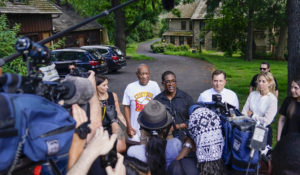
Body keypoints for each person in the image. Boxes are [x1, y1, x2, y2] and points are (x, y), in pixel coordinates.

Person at [127, 100, 182, 173]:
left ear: (143, 129)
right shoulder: (175, 145)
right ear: (165, 129)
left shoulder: (133, 152)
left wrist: (143, 138)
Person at [122, 64, 160, 143]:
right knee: (135, 150)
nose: (144, 76)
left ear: (149, 74)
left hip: (151, 128)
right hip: (135, 129)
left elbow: (159, 105)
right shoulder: (130, 87)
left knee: (151, 151)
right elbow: (126, 107)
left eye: (147, 74)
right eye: (142, 74)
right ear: (137, 74)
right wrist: (129, 126)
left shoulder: (154, 86)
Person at [154, 71, 194, 142]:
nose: (171, 84)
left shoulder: (186, 98)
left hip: (184, 138)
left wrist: (177, 126)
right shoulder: (157, 100)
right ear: (162, 83)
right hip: (164, 139)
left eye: (173, 81)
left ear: (176, 82)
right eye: (167, 82)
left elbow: (194, 118)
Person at [242, 72, 277, 145]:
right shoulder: (252, 94)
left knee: (259, 154)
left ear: (269, 83)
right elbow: (244, 112)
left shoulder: (272, 99)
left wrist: (252, 116)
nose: (260, 83)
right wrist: (259, 117)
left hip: (262, 132)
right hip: (248, 128)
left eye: (263, 81)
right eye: (259, 81)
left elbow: (267, 121)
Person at [95, 74, 126, 152]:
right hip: (101, 130)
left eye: (107, 84)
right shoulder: (93, 99)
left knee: (120, 148)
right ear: (96, 86)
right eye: (104, 85)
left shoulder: (113, 95)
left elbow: (118, 113)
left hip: (114, 127)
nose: (107, 87)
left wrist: (128, 126)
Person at [277, 77, 300, 141]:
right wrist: (278, 139)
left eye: (296, 88)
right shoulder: (288, 100)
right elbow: (281, 120)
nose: (292, 90)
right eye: (291, 87)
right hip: (286, 139)